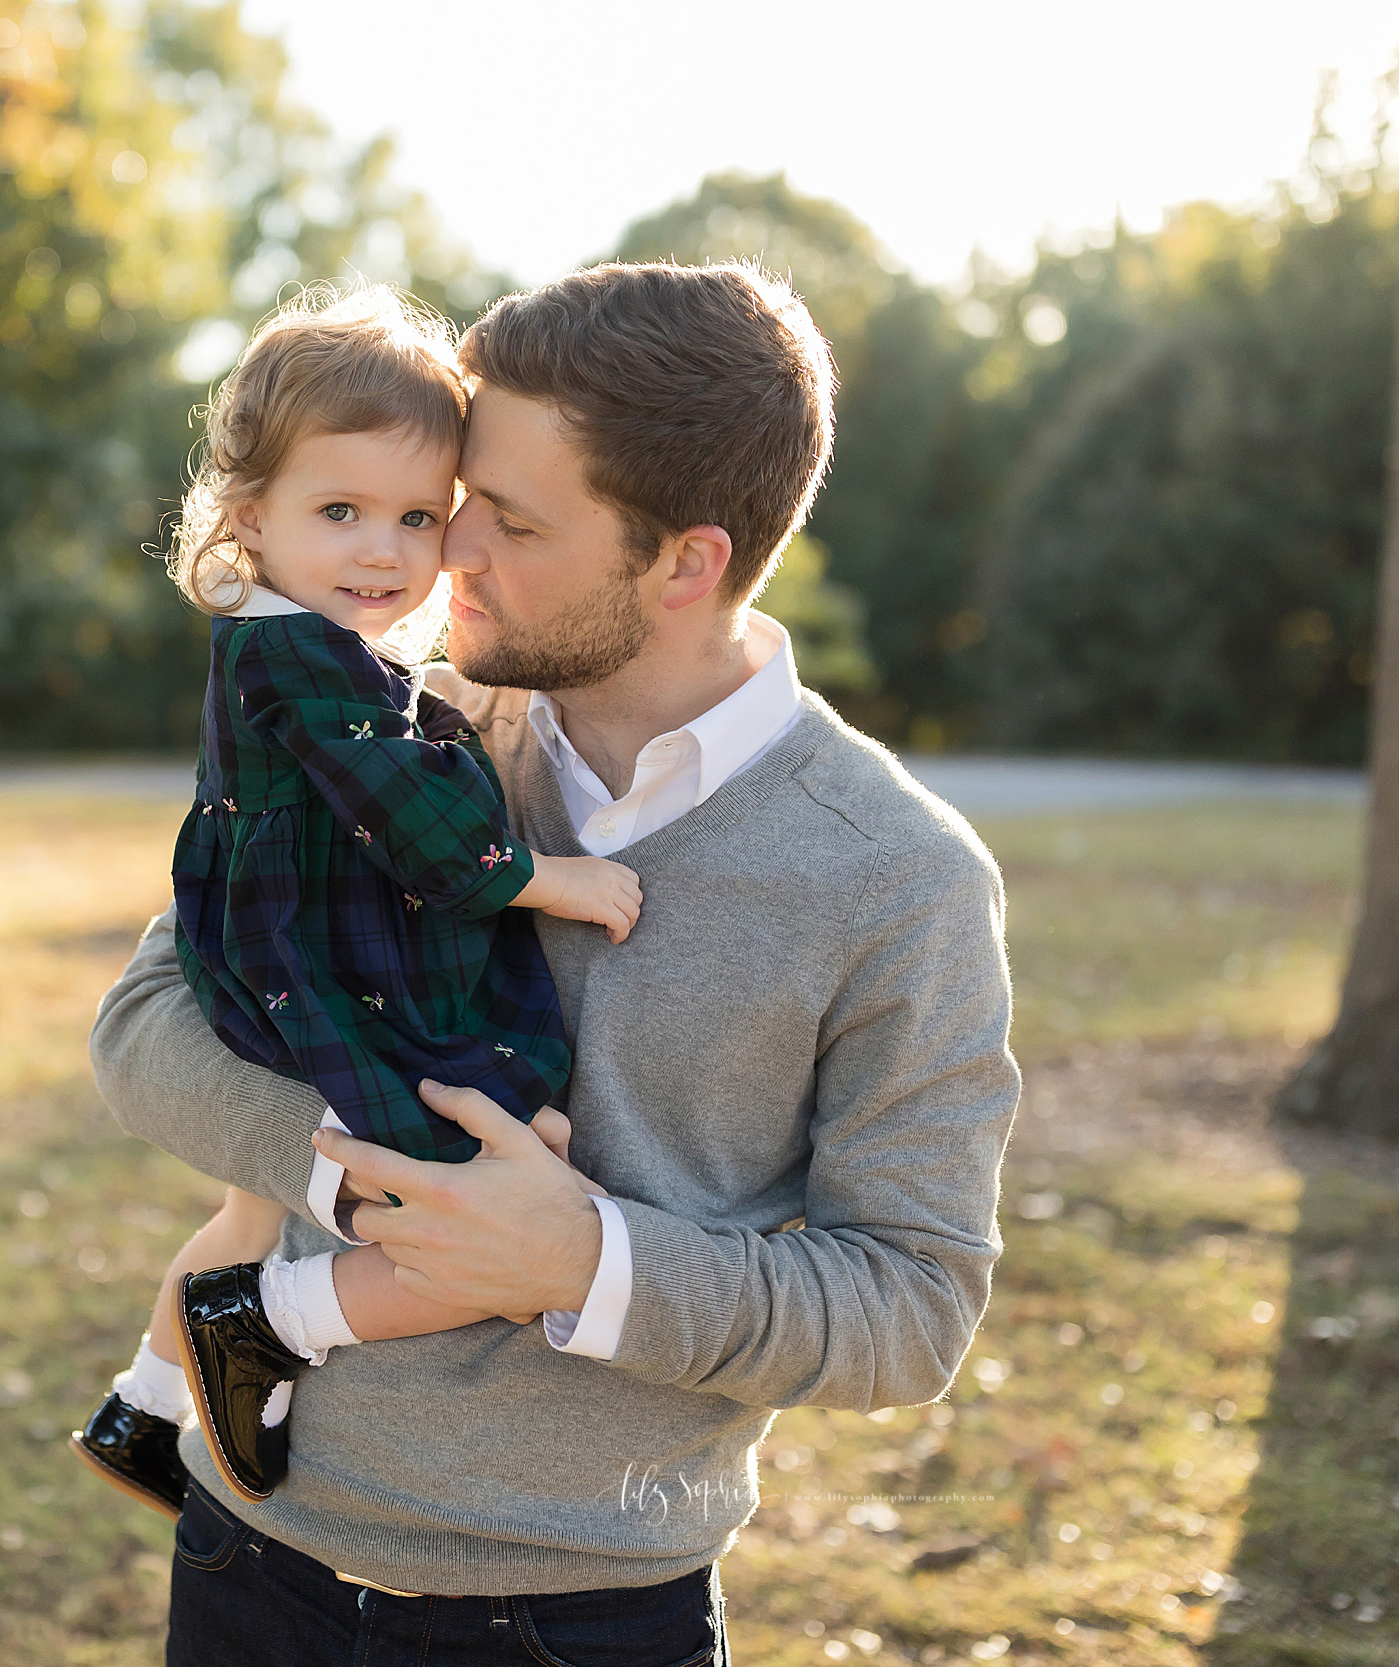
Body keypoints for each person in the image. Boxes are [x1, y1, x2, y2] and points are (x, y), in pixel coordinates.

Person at [91, 261, 1022, 1666]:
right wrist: (355, 1172)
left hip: (575, 1617)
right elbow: (151, 1022)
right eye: (457, 496)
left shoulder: (900, 879)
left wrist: (589, 1258)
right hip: (246, 1553)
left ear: (685, 561)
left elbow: (913, 1305)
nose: (444, 549)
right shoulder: (406, 722)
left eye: (507, 519)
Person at [68, 286, 644, 1518]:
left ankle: (142, 1407)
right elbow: (427, 833)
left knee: (251, 1195)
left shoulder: (282, 634)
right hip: (325, 959)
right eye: (339, 512)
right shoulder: (305, 658)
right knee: (500, 1197)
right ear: (248, 516)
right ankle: (270, 1318)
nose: (383, 551)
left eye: (414, 518)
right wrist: (550, 878)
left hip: (271, 944)